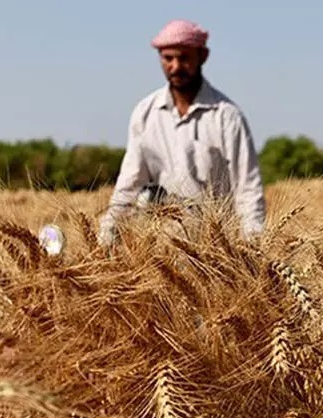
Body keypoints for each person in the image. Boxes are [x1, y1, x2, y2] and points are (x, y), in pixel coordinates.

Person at [98, 19, 267, 248]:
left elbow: (248, 189)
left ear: (203, 56)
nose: (176, 66)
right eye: (168, 58)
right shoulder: (145, 113)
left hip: (217, 251)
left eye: (184, 58)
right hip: (161, 250)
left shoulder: (226, 117)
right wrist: (106, 237)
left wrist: (252, 249)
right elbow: (129, 184)